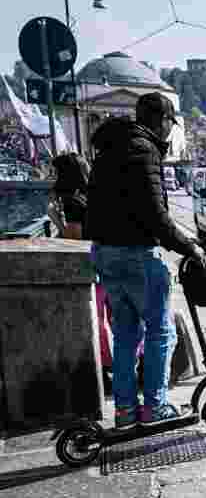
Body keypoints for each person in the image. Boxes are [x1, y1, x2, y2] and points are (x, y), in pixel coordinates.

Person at [88, 93, 206, 429]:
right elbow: (155, 214)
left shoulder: (109, 148)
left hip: (106, 254)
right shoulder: (144, 150)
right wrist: (190, 248)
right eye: (171, 123)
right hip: (137, 253)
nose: (170, 130)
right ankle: (155, 407)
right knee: (160, 332)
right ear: (163, 120)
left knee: (126, 334)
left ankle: (125, 411)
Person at [52, 153, 116, 394]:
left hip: (89, 267)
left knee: (94, 321)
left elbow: (74, 239)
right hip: (109, 260)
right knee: (116, 318)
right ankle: (130, 367)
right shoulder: (94, 193)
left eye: (56, 172)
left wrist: (56, 221)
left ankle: (104, 373)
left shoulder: (71, 202)